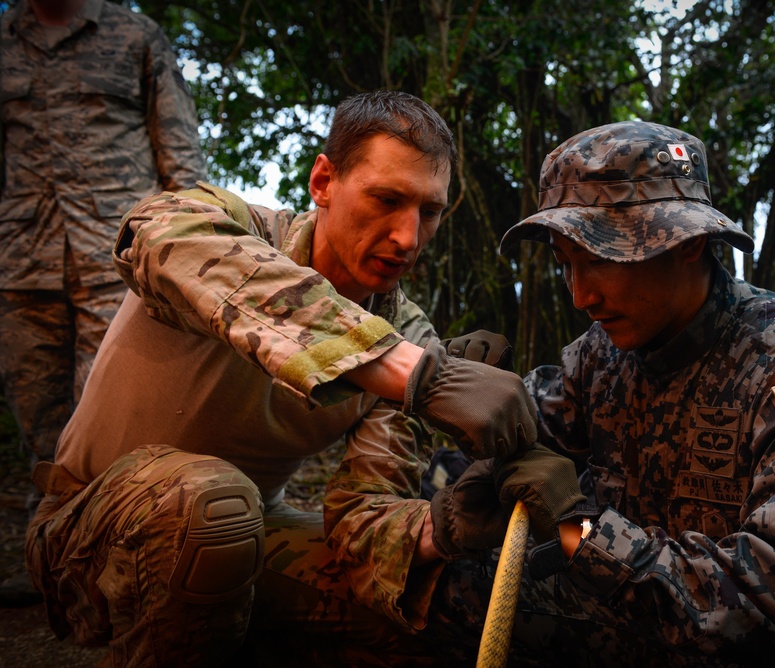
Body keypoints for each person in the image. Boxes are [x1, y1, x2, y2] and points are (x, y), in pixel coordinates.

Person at [324, 120, 775, 666]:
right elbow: (528, 426)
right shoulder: (602, 355)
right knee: (438, 589)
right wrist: (453, 384)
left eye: (602, 259)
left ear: (687, 244)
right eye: (565, 263)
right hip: (643, 622)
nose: (581, 295)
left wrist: (577, 528)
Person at [23, 89, 537, 666]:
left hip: (251, 534)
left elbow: (361, 519)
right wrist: (406, 369)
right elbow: (153, 232)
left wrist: (443, 527)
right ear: (322, 182)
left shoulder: (412, 341)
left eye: (430, 211)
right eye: (386, 199)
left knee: (439, 602)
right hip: (87, 530)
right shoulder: (233, 232)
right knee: (213, 506)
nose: (408, 238)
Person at [0, 0, 207, 607]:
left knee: (113, 420)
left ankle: (120, 568)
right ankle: (54, 565)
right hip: (20, 260)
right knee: (40, 420)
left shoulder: (135, 35)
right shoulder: (4, 38)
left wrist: (190, 245)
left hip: (116, 258)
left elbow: (179, 151)